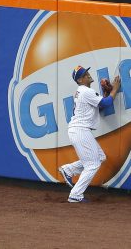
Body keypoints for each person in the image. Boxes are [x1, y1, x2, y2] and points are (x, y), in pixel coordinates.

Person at [58, 65, 121, 203]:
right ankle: (75, 195)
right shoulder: (86, 91)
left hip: (79, 130)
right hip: (80, 130)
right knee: (92, 164)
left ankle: (68, 170)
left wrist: (106, 94)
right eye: (84, 74)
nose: (88, 74)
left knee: (99, 157)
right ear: (80, 80)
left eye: (87, 72)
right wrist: (115, 89)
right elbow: (106, 103)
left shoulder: (84, 91)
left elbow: (102, 104)